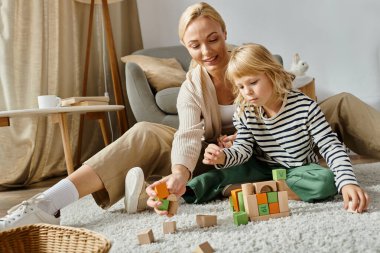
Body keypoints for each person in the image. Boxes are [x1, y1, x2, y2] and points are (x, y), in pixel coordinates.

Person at [0, 2, 377, 230]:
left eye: (213, 39)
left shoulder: (252, 63)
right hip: (219, 157)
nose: (207, 50)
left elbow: (289, 103)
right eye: (195, 45)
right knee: (146, 131)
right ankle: (48, 203)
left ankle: (158, 185)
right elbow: (187, 135)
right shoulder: (192, 87)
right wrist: (181, 172)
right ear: (185, 46)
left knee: (340, 101)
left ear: (224, 32)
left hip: (275, 145)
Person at [197, 42, 369, 212]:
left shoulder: (305, 108)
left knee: (326, 181)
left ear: (272, 75)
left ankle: (256, 191)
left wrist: (348, 182)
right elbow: (242, 150)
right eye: (241, 86)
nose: (247, 91)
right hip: (262, 168)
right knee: (208, 179)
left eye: (253, 82)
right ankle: (256, 188)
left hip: (298, 170)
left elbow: (330, 146)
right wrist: (223, 157)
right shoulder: (245, 111)